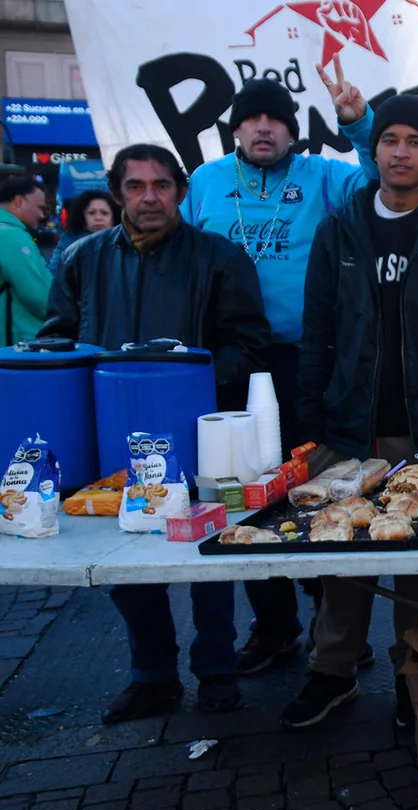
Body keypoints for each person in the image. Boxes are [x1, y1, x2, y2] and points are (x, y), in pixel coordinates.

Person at [282, 94, 418, 728]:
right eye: (389, 140)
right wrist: (308, 426)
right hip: (347, 424)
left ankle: (417, 673)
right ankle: (332, 672)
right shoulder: (339, 228)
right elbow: (316, 331)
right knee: (341, 554)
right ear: (372, 149)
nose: (400, 151)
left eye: (414, 140)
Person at [40, 144, 270, 723]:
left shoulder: (220, 258)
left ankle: (216, 668)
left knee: (205, 557)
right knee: (123, 559)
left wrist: (189, 384)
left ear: (180, 192)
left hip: (197, 439)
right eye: (136, 186)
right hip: (111, 438)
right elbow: (57, 343)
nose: (149, 197)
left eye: (161, 185)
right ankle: (153, 675)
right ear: (117, 191)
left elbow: (248, 341)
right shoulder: (82, 258)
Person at [181, 64, 379, 676]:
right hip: (231, 365)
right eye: (250, 119)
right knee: (243, 495)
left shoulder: (322, 176)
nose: (263, 128)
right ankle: (273, 628)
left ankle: (336, 632)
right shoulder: (207, 182)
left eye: (275, 119)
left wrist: (360, 125)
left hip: (307, 365)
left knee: (314, 491)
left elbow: (381, 185)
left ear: (293, 131)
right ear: (235, 129)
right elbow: (183, 260)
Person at [0, 176, 53, 345]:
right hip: (15, 344)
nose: (41, 215)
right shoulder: (12, 236)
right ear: (19, 201)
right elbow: (39, 295)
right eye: (39, 207)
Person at [49, 189, 117, 273]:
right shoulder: (69, 241)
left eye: (104, 213)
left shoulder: (124, 240)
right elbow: (55, 270)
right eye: (91, 213)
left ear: (113, 218)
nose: (98, 218)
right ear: (82, 217)